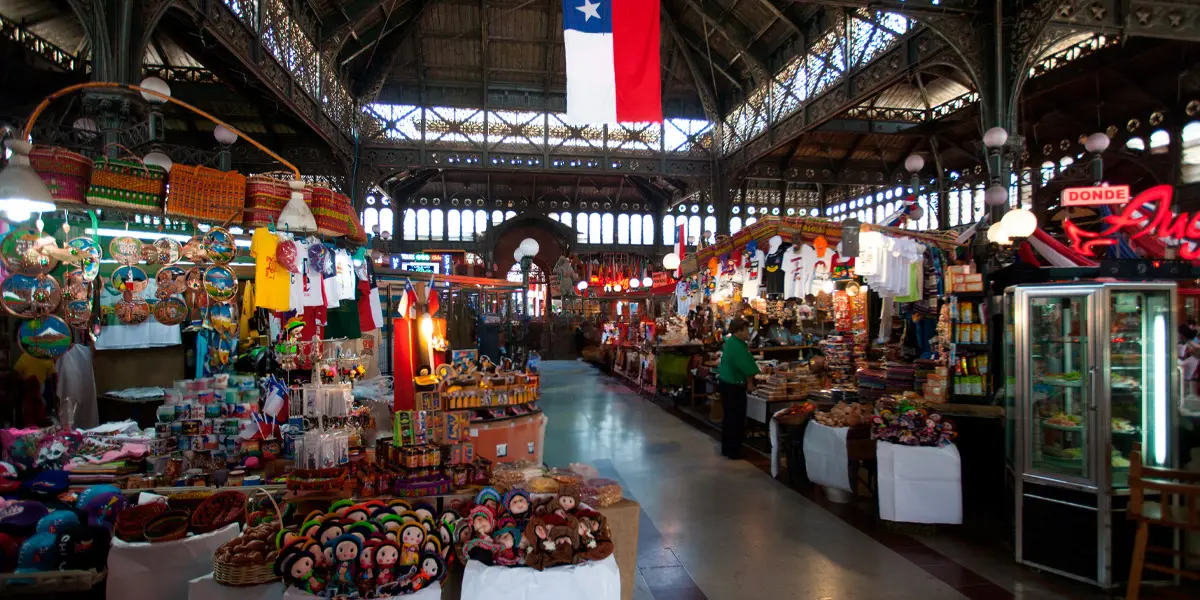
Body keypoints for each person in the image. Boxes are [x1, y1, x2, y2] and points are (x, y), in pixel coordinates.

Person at [717, 318, 760, 459]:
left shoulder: (730, 343)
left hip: (726, 383)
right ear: (739, 331)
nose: (748, 332)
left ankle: (727, 448)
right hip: (734, 386)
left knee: (729, 418)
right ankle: (734, 451)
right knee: (736, 419)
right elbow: (747, 367)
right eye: (747, 329)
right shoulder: (738, 346)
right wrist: (750, 383)